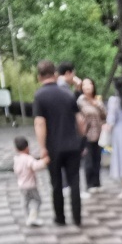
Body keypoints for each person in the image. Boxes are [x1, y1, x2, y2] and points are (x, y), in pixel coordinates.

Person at [33, 59, 87, 226]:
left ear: (39, 77)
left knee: (56, 184)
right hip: (72, 145)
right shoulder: (67, 94)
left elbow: (40, 123)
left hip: (53, 146)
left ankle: (60, 218)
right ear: (55, 75)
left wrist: (42, 148)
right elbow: (80, 121)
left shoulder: (39, 96)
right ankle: (77, 218)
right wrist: (81, 139)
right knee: (75, 181)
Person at [14, 136, 50, 226]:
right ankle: (32, 217)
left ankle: (27, 218)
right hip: (30, 185)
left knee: (25, 202)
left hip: (21, 185)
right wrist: (44, 161)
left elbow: (16, 171)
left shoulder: (17, 159)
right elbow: (35, 166)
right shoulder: (28, 158)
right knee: (38, 201)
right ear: (27, 148)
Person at [78, 78, 107, 192]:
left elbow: (104, 115)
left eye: (89, 84)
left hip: (99, 134)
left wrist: (97, 105)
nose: (87, 86)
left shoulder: (97, 100)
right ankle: (90, 184)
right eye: (84, 84)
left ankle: (97, 182)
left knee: (97, 159)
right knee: (88, 161)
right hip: (87, 134)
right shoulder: (80, 102)